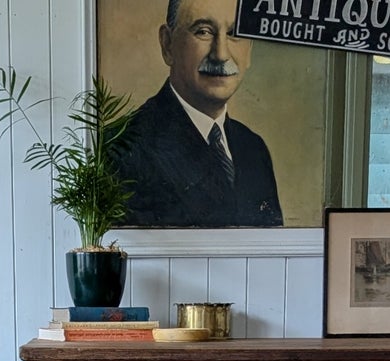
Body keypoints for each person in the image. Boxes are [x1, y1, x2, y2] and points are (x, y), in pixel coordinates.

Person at [114, 0, 282, 228]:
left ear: (249, 50)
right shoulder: (124, 150)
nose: (221, 54)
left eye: (234, 34)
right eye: (203, 31)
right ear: (167, 45)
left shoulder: (254, 148)